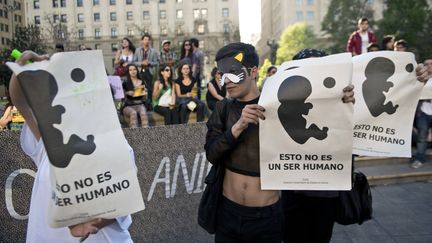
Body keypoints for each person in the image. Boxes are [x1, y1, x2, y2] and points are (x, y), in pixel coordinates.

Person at [8, 51, 133, 243]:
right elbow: (20, 102)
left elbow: (120, 204)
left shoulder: (115, 146)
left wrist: (90, 223)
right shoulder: (51, 138)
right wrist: (20, 69)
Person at [412, 58, 432, 169]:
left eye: (431, 64)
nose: (429, 66)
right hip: (423, 112)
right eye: (426, 64)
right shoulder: (419, 80)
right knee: (422, 137)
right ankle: (420, 158)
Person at [133, 34, 159, 107]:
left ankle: (150, 104)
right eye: (145, 39)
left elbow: (156, 63)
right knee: (140, 87)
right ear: (142, 41)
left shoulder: (153, 51)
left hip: (149, 71)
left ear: (149, 41)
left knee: (150, 88)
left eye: (148, 40)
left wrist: (149, 63)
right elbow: (134, 62)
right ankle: (139, 103)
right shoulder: (137, 50)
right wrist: (141, 63)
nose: (146, 41)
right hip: (140, 70)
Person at [122, 64, 149, 128]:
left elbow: (144, 98)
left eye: (134, 69)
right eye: (130, 70)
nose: (133, 71)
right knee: (133, 113)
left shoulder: (142, 82)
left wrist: (145, 93)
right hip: (128, 106)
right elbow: (121, 97)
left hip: (140, 104)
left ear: (137, 70)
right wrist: (126, 93)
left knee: (143, 112)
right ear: (128, 72)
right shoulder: (125, 83)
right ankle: (134, 134)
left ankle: (146, 133)